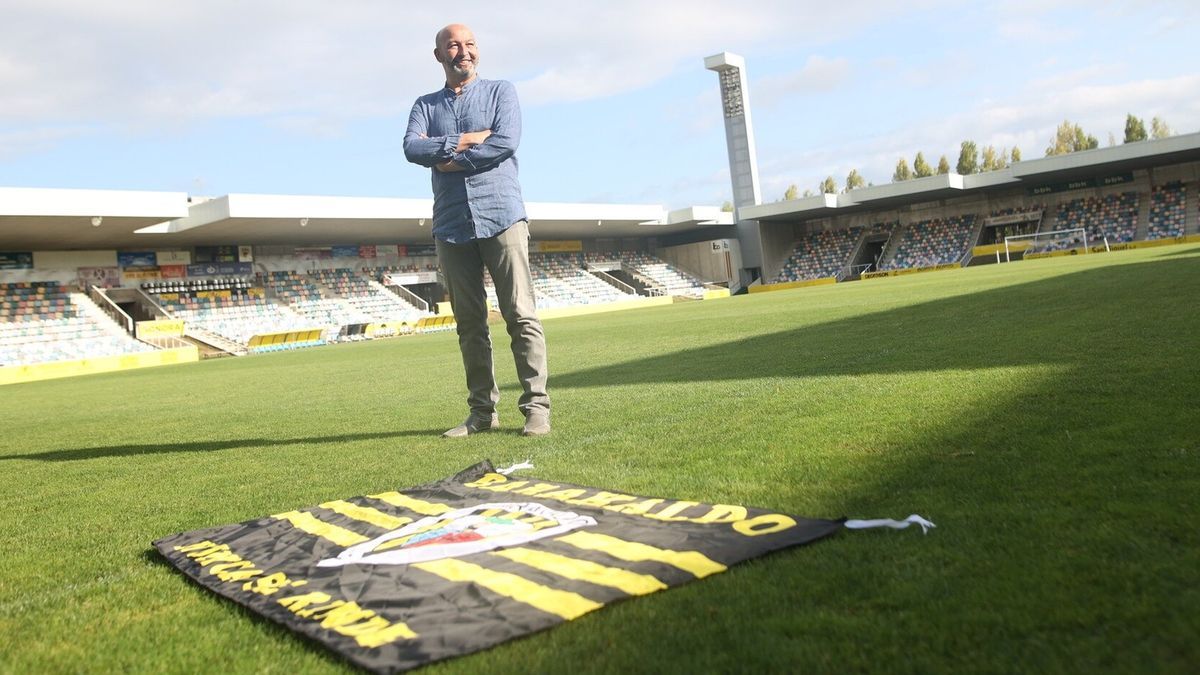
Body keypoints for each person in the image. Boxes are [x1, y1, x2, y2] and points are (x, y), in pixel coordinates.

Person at [403, 23, 550, 438]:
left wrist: (451, 158)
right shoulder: (425, 104)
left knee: (520, 314)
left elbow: (506, 141)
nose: (462, 52)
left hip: (502, 214)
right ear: (439, 56)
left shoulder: (502, 91)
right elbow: (412, 148)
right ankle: (482, 413)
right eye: (452, 46)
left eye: (468, 44)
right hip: (451, 224)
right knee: (469, 323)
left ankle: (537, 408)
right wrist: (465, 139)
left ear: (477, 52)